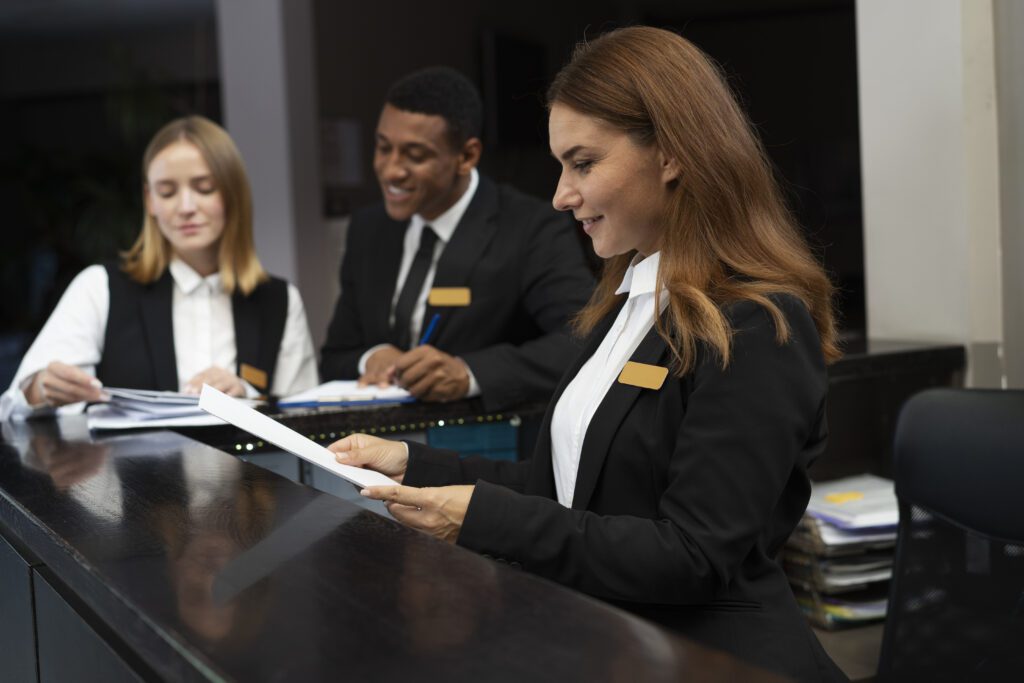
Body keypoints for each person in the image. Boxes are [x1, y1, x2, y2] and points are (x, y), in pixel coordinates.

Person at [328, 27, 847, 682]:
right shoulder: (622, 305)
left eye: (583, 163)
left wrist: (477, 517)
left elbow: (689, 555)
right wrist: (412, 463)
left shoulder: (757, 325)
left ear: (671, 154)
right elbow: (562, 490)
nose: (560, 194)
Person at [0, 116, 318, 421]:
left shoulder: (279, 300)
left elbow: (309, 417)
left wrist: (249, 396)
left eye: (204, 188)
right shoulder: (100, 287)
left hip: (253, 478)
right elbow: (14, 404)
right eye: (167, 192)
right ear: (150, 200)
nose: (186, 207)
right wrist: (41, 388)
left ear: (233, 194)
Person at [319, 67, 594, 411]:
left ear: (466, 156)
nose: (391, 170)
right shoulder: (367, 228)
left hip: (484, 446)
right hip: (374, 448)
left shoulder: (530, 227)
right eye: (383, 147)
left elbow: (583, 339)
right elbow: (334, 356)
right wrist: (372, 358)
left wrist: (468, 373)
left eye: (415, 156)